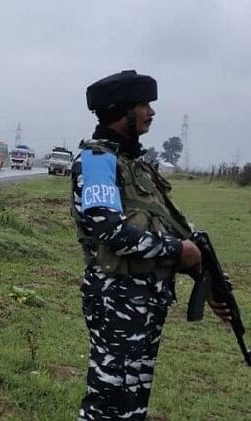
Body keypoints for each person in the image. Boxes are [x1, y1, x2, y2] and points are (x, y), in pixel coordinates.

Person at [70, 70, 231, 420]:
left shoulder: (137, 166)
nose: (151, 113)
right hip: (117, 300)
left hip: (146, 300)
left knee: (133, 404)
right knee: (109, 401)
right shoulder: (98, 161)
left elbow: (175, 228)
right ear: (121, 111)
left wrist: (205, 275)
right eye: (144, 105)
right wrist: (178, 252)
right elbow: (110, 231)